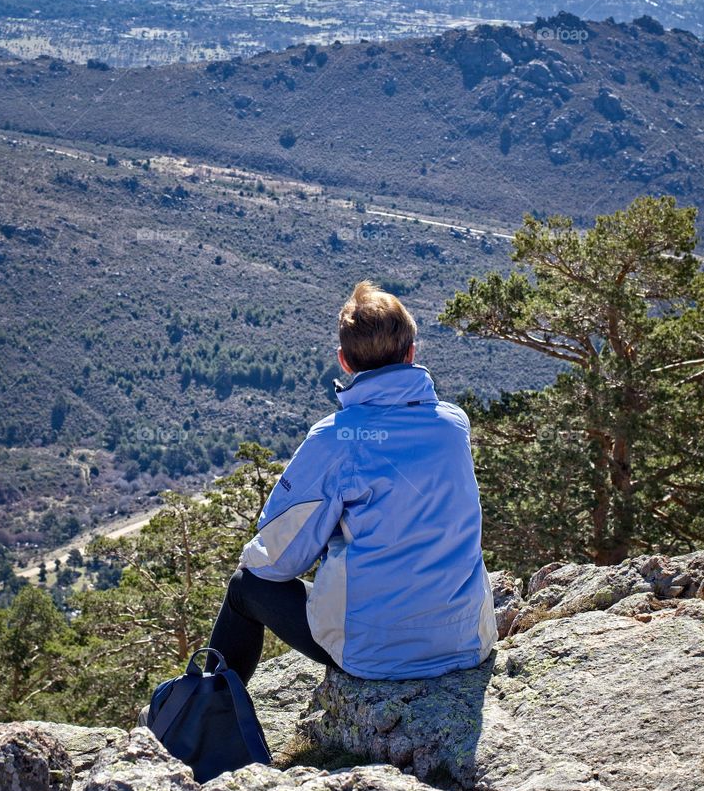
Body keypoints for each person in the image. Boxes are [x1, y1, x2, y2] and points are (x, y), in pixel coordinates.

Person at [207, 279, 497, 684]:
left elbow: (280, 561)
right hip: (468, 640)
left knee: (246, 587)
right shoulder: (453, 423)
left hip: (376, 656)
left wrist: (257, 557)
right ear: (411, 353)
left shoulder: (335, 439)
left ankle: (206, 714)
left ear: (344, 361)